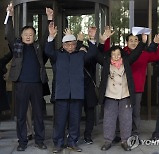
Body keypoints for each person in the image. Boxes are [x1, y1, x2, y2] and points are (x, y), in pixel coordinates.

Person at [45, 22, 98, 153]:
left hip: (77, 94)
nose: (70, 47)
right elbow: (47, 51)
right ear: (63, 46)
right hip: (61, 94)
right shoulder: (57, 55)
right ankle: (58, 143)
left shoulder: (80, 55)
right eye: (68, 44)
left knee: (75, 120)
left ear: (76, 45)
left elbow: (92, 53)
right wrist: (51, 37)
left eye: (73, 44)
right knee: (60, 121)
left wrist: (91, 39)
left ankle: (72, 142)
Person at [5, 4, 50, 151]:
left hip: (37, 85)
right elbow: (9, 32)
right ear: (22, 36)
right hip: (21, 85)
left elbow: (46, 36)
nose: (28, 36)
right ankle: (22, 142)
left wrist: (50, 20)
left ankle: (40, 140)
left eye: (31, 34)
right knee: (21, 115)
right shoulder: (17, 45)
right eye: (26, 34)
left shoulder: (38, 46)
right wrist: (10, 16)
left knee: (38, 114)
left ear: (34, 36)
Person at [96, 34, 147, 151]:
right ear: (110, 55)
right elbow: (96, 54)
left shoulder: (127, 61)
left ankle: (125, 141)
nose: (116, 56)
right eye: (113, 54)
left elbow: (136, 53)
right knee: (109, 119)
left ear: (122, 55)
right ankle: (108, 141)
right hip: (110, 95)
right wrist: (101, 41)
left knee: (126, 119)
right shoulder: (106, 62)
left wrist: (143, 42)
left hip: (125, 94)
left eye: (118, 54)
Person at [123, 33, 159, 136]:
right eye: (131, 40)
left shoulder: (143, 54)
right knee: (123, 112)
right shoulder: (122, 53)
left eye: (136, 40)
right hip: (123, 88)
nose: (133, 42)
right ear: (127, 42)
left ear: (139, 42)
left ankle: (135, 134)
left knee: (135, 112)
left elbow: (158, 56)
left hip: (137, 88)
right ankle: (121, 133)